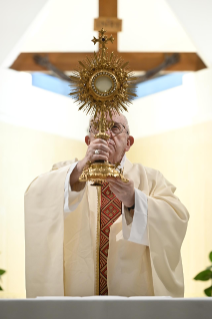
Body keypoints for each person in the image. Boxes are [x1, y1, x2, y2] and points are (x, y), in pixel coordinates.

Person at [24, 112, 189, 298]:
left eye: (115, 128)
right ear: (88, 140)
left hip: (133, 308)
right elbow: (35, 196)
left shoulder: (150, 179)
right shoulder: (68, 173)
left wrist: (134, 200)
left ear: (128, 142)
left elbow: (177, 219)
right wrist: (80, 169)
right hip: (78, 306)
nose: (105, 135)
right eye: (98, 128)